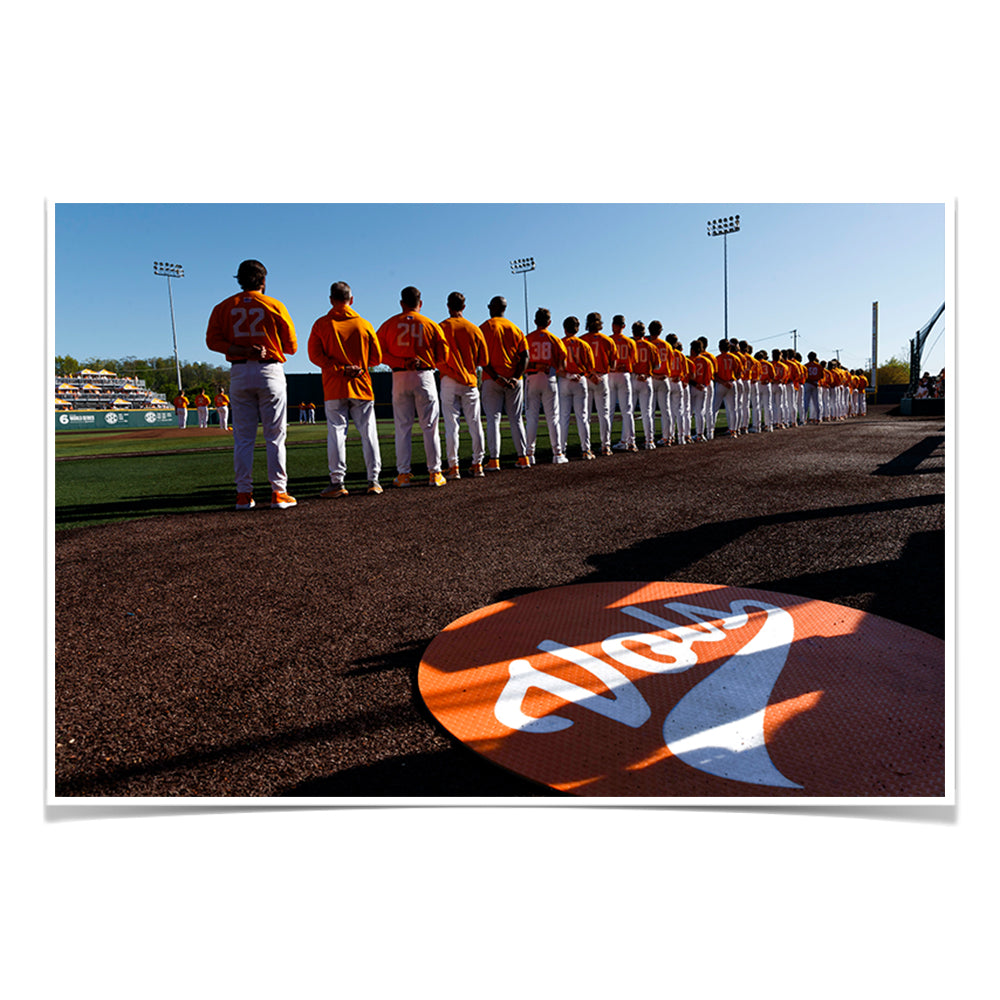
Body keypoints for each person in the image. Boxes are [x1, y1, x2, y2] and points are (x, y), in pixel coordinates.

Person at [205, 258, 298, 509]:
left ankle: (244, 494)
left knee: (243, 438)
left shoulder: (223, 306)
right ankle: (279, 492)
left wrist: (237, 348)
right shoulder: (275, 304)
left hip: (239, 372)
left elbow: (212, 341)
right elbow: (292, 347)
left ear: (239, 280)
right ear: (264, 281)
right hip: (270, 372)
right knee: (275, 437)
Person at [307, 280, 384, 496]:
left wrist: (339, 368)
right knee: (369, 433)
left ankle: (337, 482)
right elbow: (377, 357)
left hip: (334, 386)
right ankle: (374, 480)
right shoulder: (364, 324)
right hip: (361, 385)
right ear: (351, 299)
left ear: (331, 300)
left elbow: (315, 355)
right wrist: (358, 367)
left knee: (337, 434)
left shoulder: (322, 324)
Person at [376, 286, 450, 488]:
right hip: (423, 376)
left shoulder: (388, 325)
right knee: (430, 427)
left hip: (399, 376)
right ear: (421, 303)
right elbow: (444, 357)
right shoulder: (431, 325)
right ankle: (435, 473)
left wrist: (400, 361)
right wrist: (425, 361)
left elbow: (377, 354)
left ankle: (403, 475)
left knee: (402, 427)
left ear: (401, 303)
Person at [438, 291, 488, 479]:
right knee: (475, 424)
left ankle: (454, 467)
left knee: (452, 426)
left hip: (449, 380)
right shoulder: (475, 329)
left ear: (448, 306)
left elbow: (438, 357)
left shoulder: (442, 327)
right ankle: (478, 465)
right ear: (464, 307)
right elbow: (484, 360)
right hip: (470, 381)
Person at [479, 295, 530, 470]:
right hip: (514, 380)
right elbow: (525, 357)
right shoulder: (515, 329)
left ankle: (494, 460)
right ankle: (523, 458)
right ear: (504, 309)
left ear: (490, 307)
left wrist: (495, 377)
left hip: (492, 379)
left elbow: (481, 359)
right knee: (516, 419)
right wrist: (515, 377)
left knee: (493, 419)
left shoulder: (484, 328)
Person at [524, 307, 569, 464]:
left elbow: (521, 361)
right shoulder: (555, 339)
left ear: (535, 321)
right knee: (553, 418)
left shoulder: (527, 338)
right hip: (549, 378)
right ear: (549, 322)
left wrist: (536, 366)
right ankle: (557, 453)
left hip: (532, 378)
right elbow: (562, 365)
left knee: (531, 418)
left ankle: (529, 454)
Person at [557, 315, 596, 459]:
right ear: (577, 328)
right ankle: (586, 449)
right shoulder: (584, 344)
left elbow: (557, 367)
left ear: (564, 328)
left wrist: (567, 375)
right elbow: (590, 368)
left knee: (563, 417)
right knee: (582, 417)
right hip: (580, 380)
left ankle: (561, 450)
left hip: (564, 380)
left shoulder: (560, 343)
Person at [581, 313, 616, 455]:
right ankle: (605, 446)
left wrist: (589, 374)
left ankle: (586, 448)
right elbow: (613, 364)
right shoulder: (607, 340)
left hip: (586, 377)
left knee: (585, 415)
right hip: (602, 377)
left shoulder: (581, 340)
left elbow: (579, 362)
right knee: (604, 414)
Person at [608, 314, 637, 451]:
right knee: (627, 410)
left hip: (611, 375)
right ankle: (630, 442)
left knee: (609, 411)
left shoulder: (608, 340)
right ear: (624, 326)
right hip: (624, 375)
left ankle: (605, 443)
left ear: (613, 325)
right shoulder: (630, 342)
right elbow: (634, 362)